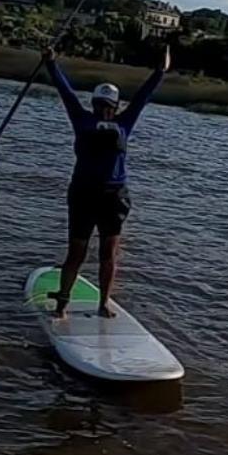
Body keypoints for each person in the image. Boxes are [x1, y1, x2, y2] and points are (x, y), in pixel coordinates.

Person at [42, 44, 170, 318]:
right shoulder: (81, 119)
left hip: (114, 195)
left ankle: (103, 304)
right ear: (93, 104)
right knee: (76, 252)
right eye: (98, 104)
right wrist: (51, 63)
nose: (102, 109)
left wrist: (161, 70)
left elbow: (144, 96)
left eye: (107, 105)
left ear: (115, 106)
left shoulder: (126, 121)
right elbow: (65, 92)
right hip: (84, 194)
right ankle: (61, 305)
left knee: (109, 254)